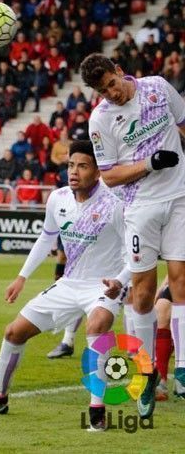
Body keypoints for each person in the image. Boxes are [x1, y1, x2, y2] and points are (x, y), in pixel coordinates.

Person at [0, 141, 130, 431]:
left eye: (82, 166)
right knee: (14, 332)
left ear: (98, 171)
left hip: (103, 285)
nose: (74, 172)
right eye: (70, 165)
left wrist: (120, 281)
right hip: (68, 284)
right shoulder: (58, 199)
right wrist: (22, 276)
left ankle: (97, 410)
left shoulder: (115, 205)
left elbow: (135, 253)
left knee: (97, 325)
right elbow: (46, 238)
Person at [82, 53, 185, 417]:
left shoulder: (157, 88)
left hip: (180, 197)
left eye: (112, 83)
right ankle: (146, 371)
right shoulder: (101, 120)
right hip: (139, 207)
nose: (112, 93)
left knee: (180, 278)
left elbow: (184, 122)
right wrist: (149, 163)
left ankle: (183, 369)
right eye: (103, 90)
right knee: (142, 292)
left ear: (120, 72)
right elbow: (108, 176)